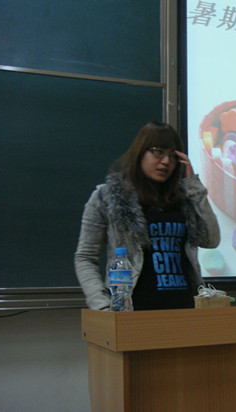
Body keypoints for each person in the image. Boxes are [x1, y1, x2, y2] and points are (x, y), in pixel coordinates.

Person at [74, 121, 220, 310]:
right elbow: (85, 257)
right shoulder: (107, 197)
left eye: (172, 156)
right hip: (133, 310)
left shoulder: (183, 198)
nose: (166, 161)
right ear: (140, 152)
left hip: (184, 309)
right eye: (158, 152)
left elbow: (211, 240)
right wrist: (102, 305)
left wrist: (193, 186)